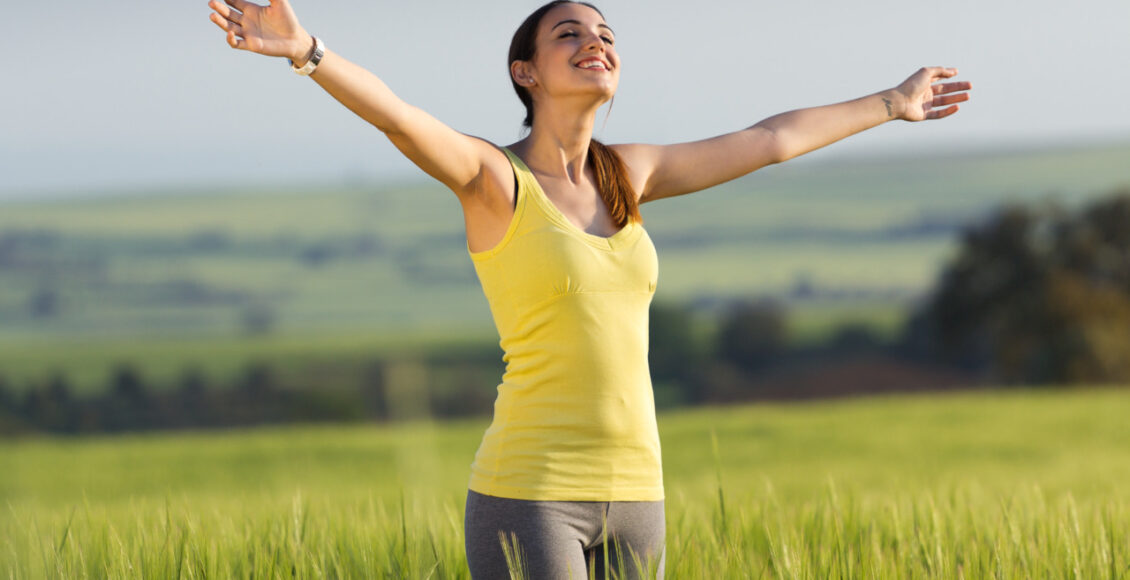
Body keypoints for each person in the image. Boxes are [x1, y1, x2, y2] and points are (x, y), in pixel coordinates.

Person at [208, 0, 971, 577]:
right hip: (533, 493)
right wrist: (307, 51)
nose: (595, 43)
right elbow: (401, 121)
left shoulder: (627, 173)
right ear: (526, 73)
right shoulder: (492, 179)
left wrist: (890, 104)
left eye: (606, 35)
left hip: (640, 492)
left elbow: (770, 141)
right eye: (569, 34)